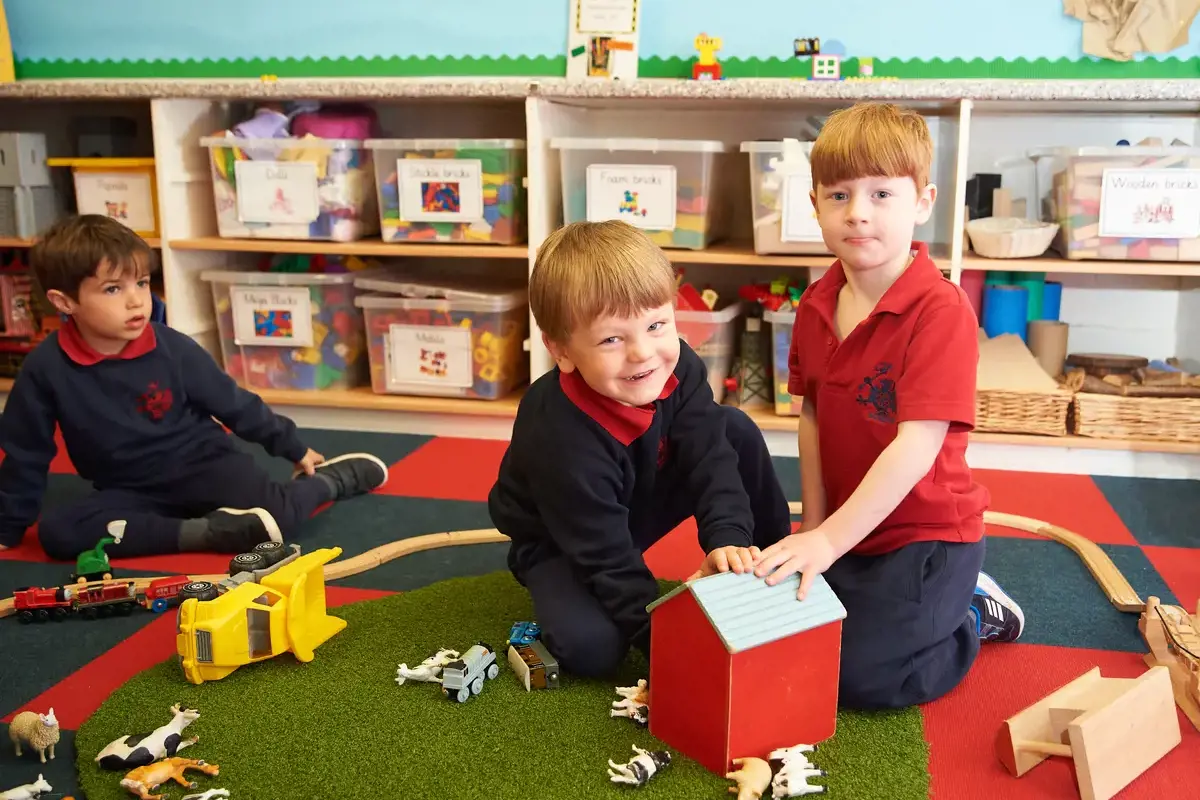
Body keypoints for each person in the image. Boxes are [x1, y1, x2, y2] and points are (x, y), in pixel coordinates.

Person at [751, 102, 1026, 709]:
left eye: (881, 194)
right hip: (855, 526)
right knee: (796, 641)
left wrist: (828, 544)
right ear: (816, 204)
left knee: (866, 682)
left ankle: (973, 611)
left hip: (928, 536)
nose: (858, 214)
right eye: (839, 195)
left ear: (923, 202)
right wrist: (817, 530)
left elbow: (917, 444)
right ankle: (889, 592)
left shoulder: (941, 311)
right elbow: (814, 416)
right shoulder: (818, 302)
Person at [488, 220, 792, 678]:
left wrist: (728, 538)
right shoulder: (559, 436)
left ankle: (773, 573)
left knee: (734, 431)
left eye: (656, 325)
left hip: (638, 493)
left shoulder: (678, 367)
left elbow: (710, 456)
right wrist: (666, 645)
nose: (643, 353)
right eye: (612, 338)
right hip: (562, 536)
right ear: (561, 351)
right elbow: (604, 556)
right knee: (591, 651)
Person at [0, 214, 388, 559]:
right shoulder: (45, 368)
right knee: (58, 533)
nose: (138, 300)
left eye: (142, 282)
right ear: (64, 302)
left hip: (205, 465)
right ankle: (203, 533)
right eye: (113, 289)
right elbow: (25, 450)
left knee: (278, 519)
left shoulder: (172, 348)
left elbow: (236, 404)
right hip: (130, 488)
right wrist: (9, 525)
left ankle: (327, 483)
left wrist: (292, 447)